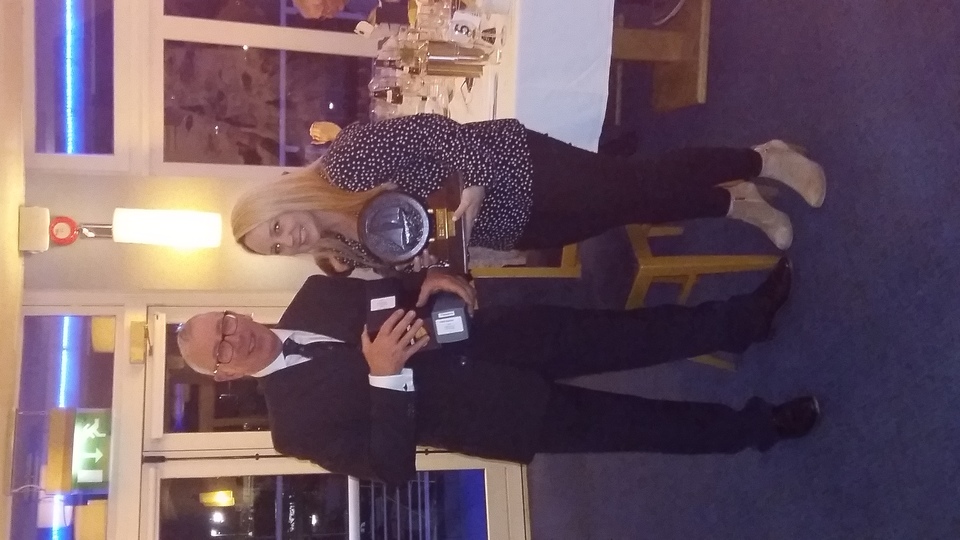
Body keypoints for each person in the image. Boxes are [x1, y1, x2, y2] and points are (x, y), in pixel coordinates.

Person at [176, 259, 821, 485]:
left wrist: (429, 277)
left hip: (498, 336)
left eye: (226, 321)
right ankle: (760, 427)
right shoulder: (293, 428)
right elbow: (388, 467)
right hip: (497, 413)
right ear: (224, 375)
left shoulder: (314, 295)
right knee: (640, 424)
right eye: (221, 348)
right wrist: (384, 377)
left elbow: (391, 290)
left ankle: (744, 320)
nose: (235, 335)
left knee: (631, 333)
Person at [232, 114, 826, 275]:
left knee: (641, 182)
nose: (290, 239)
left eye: (277, 227)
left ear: (280, 201)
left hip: (515, 167)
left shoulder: (346, 159)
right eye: (277, 247)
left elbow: (437, 132)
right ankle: (736, 204)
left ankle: (764, 158)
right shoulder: (346, 252)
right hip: (510, 225)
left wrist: (472, 185)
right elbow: (416, 255)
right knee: (634, 208)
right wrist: (435, 262)